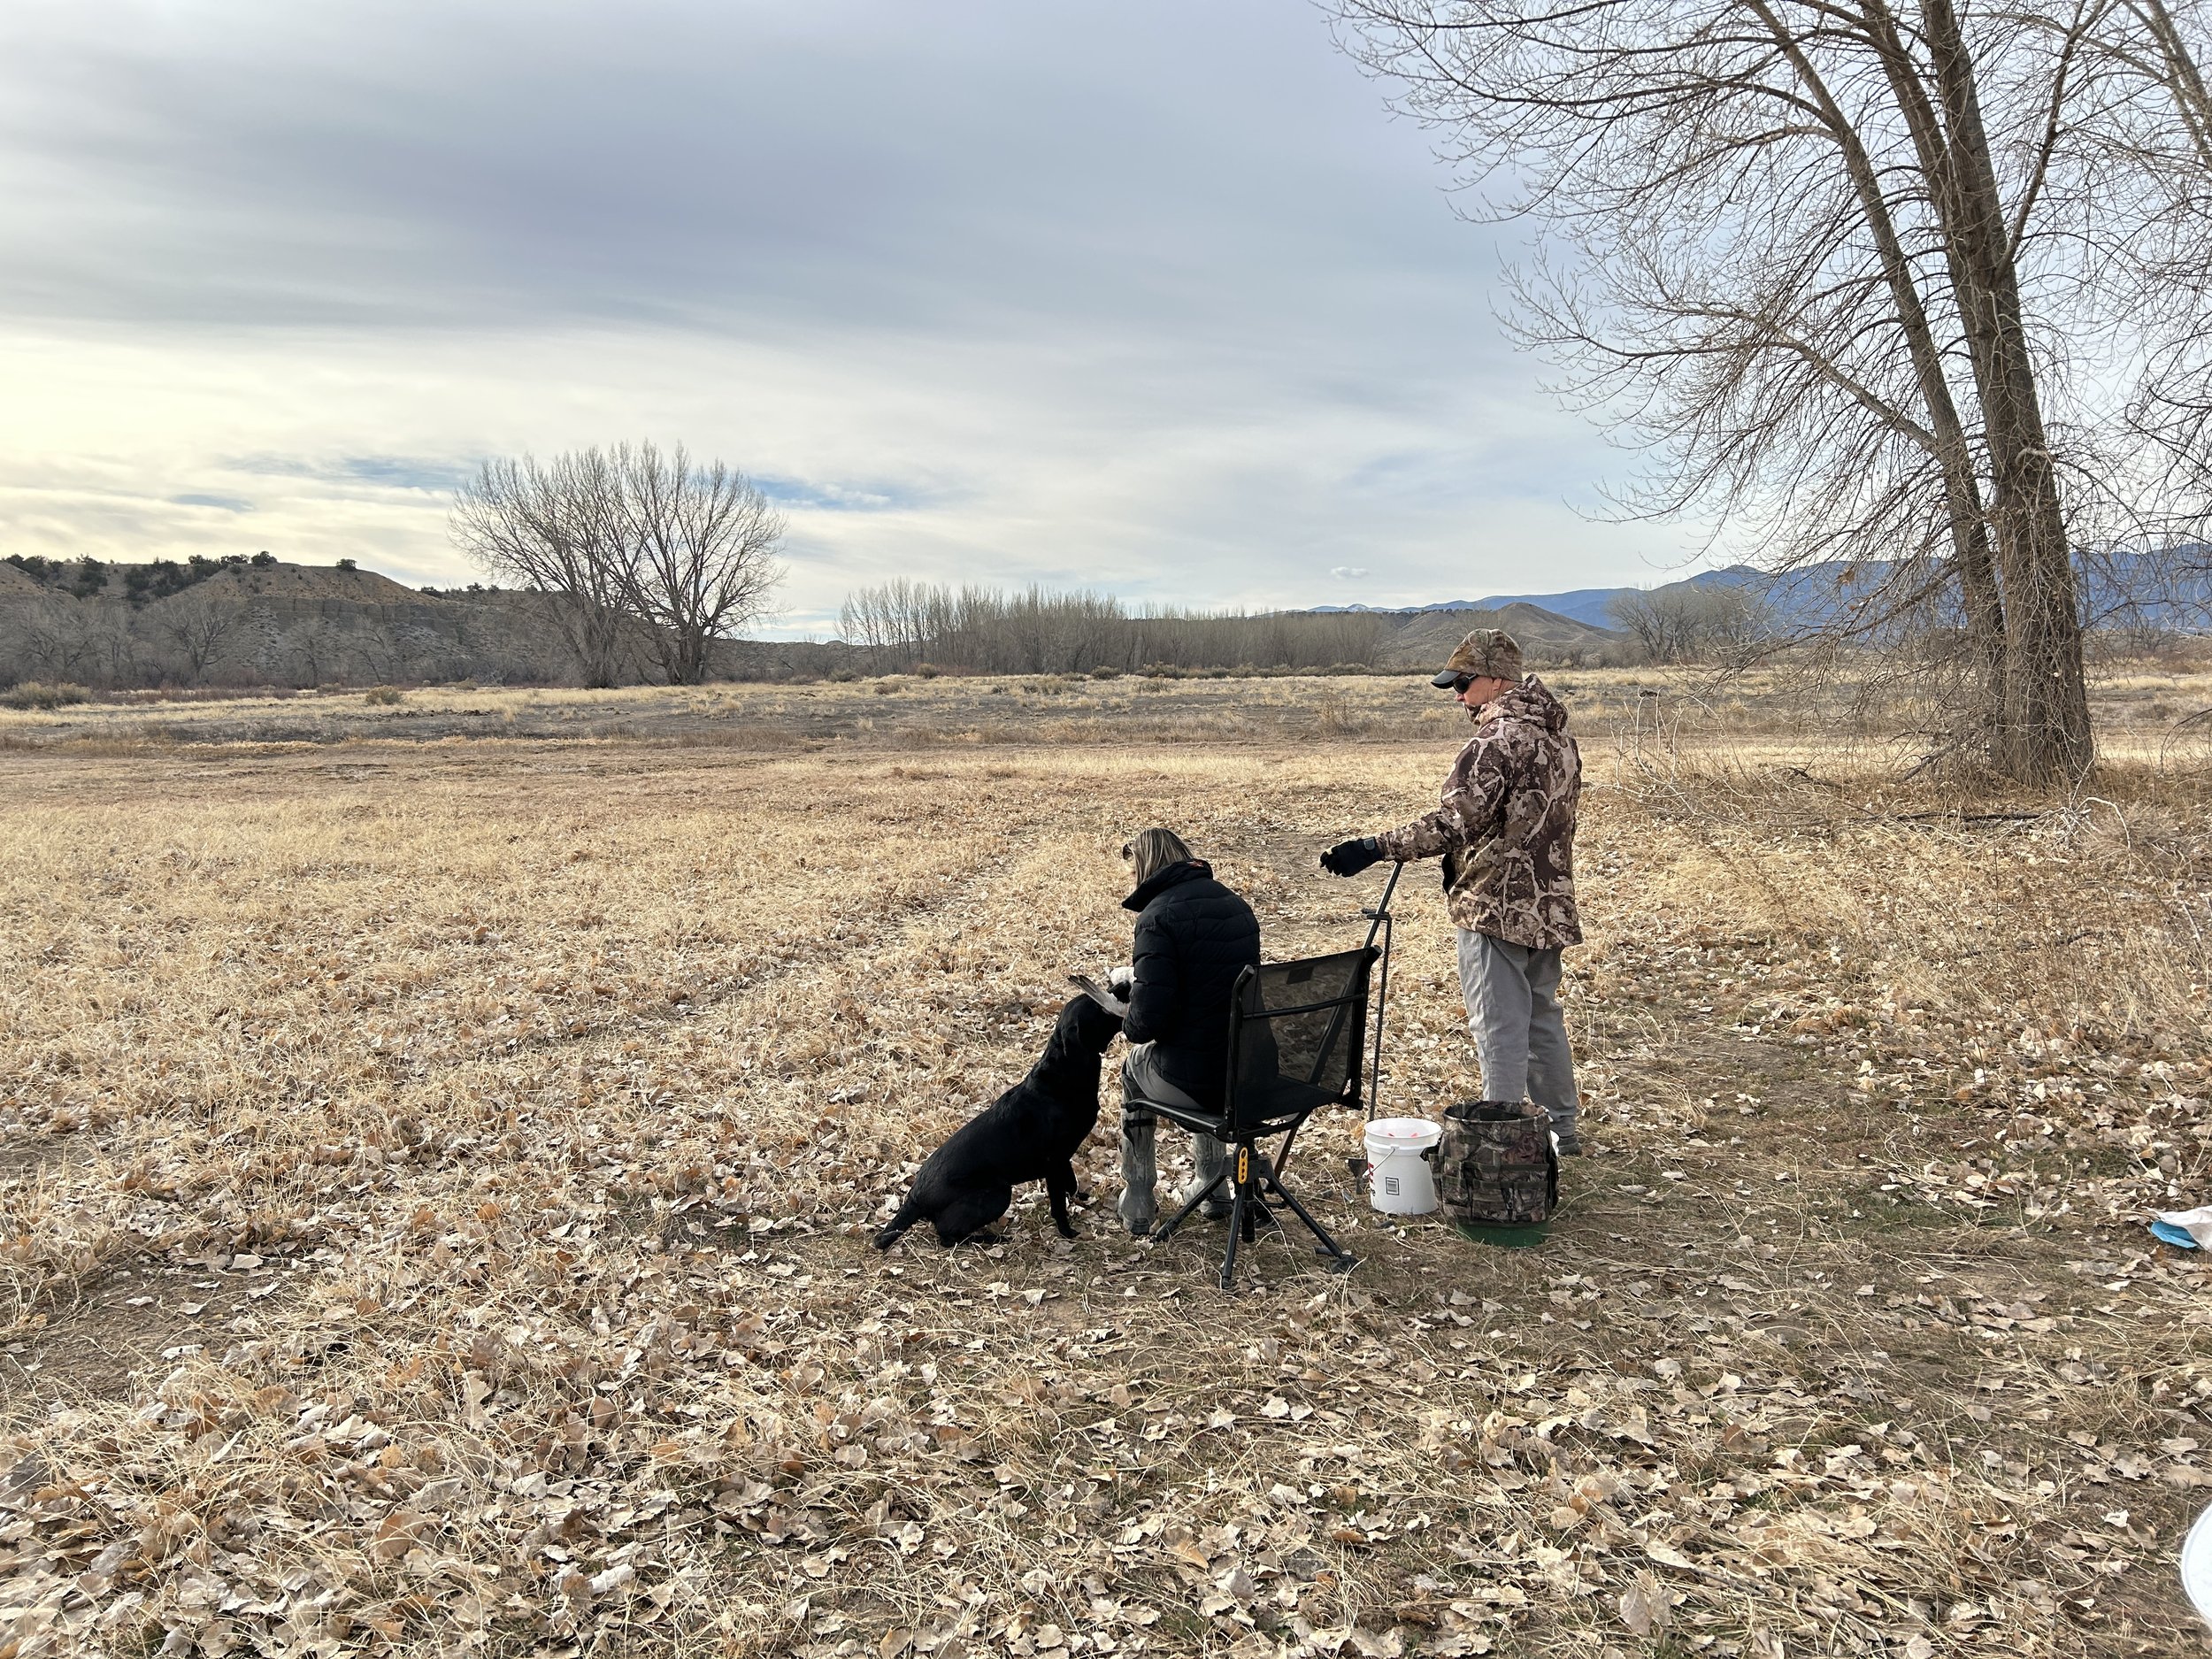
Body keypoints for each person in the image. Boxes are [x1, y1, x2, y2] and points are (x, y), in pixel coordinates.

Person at [1319, 628, 1586, 1154]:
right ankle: (1562, 1132)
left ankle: (1504, 1142)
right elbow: (1523, 820)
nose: (1459, 697)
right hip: (1548, 905)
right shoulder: (1559, 739)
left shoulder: (1494, 741)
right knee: (1542, 1018)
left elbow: (1453, 823)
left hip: (1494, 907)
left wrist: (1374, 847)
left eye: (1464, 684)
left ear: (1495, 679)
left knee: (1500, 1025)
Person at [1114, 827, 1262, 1235]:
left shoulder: (1155, 917)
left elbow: (1147, 1025)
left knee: (1133, 1071)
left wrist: (1128, 1008)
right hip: (1253, 1074)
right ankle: (1212, 1189)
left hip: (1202, 1083)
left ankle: (1139, 1200)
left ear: (1143, 868)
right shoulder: (1236, 905)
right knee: (1209, 1046)